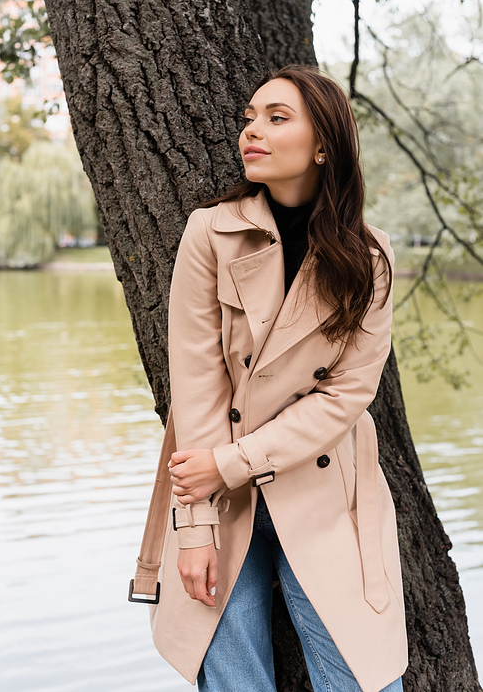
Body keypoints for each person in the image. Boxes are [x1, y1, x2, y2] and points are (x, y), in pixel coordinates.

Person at [133, 65, 408, 692]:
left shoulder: (370, 258)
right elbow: (198, 389)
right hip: (216, 495)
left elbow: (346, 395)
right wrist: (196, 528)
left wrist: (235, 461)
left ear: (322, 145)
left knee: (362, 680)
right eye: (249, 118)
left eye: (276, 118)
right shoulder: (211, 233)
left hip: (322, 490)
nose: (252, 131)